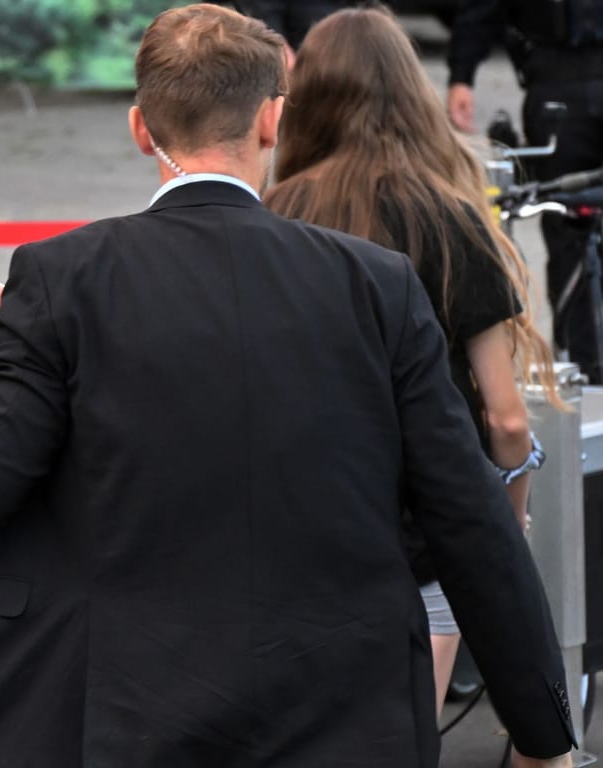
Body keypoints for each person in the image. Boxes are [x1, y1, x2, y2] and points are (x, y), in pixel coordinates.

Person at [0, 5, 576, 766]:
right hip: (346, 709)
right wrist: (540, 731)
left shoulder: (64, 276)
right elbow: (471, 523)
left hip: (133, 709)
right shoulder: (377, 284)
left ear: (140, 128)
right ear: (270, 119)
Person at [264, 6, 560, 726]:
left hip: (303, 528)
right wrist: (506, 523)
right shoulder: (452, 220)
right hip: (429, 535)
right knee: (402, 737)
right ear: (409, 94)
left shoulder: (276, 215)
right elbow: (506, 418)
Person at [447, 0, 603, 384]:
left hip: (560, 84)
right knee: (567, 231)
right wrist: (461, 74)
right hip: (556, 82)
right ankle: (584, 376)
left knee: (568, 236)